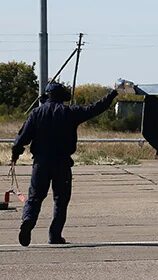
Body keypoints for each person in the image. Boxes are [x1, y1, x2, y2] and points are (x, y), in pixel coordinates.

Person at [10, 80, 124, 246]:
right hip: (62, 164)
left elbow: (21, 138)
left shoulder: (36, 113)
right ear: (62, 97)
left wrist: (15, 154)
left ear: (46, 96)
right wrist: (113, 93)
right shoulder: (70, 112)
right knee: (61, 200)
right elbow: (95, 108)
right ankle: (55, 235)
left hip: (40, 164)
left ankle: (28, 220)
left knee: (34, 198)